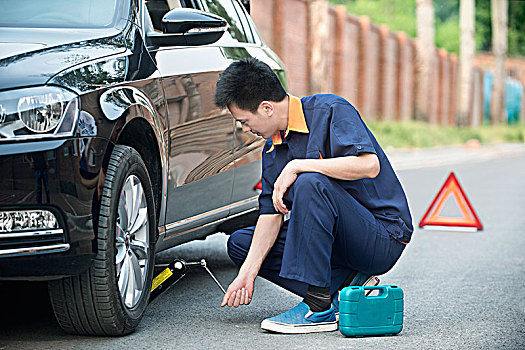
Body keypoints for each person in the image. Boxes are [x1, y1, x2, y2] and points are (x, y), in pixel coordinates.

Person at [215, 58, 413, 334]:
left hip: (381, 235)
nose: (245, 129)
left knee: (311, 182)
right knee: (241, 244)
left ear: (267, 108)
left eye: (245, 121)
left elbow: (369, 165)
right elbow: (270, 215)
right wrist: (246, 274)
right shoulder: (273, 148)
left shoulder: (331, 110)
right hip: (335, 241)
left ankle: (318, 308)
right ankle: (348, 285)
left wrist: (298, 165)